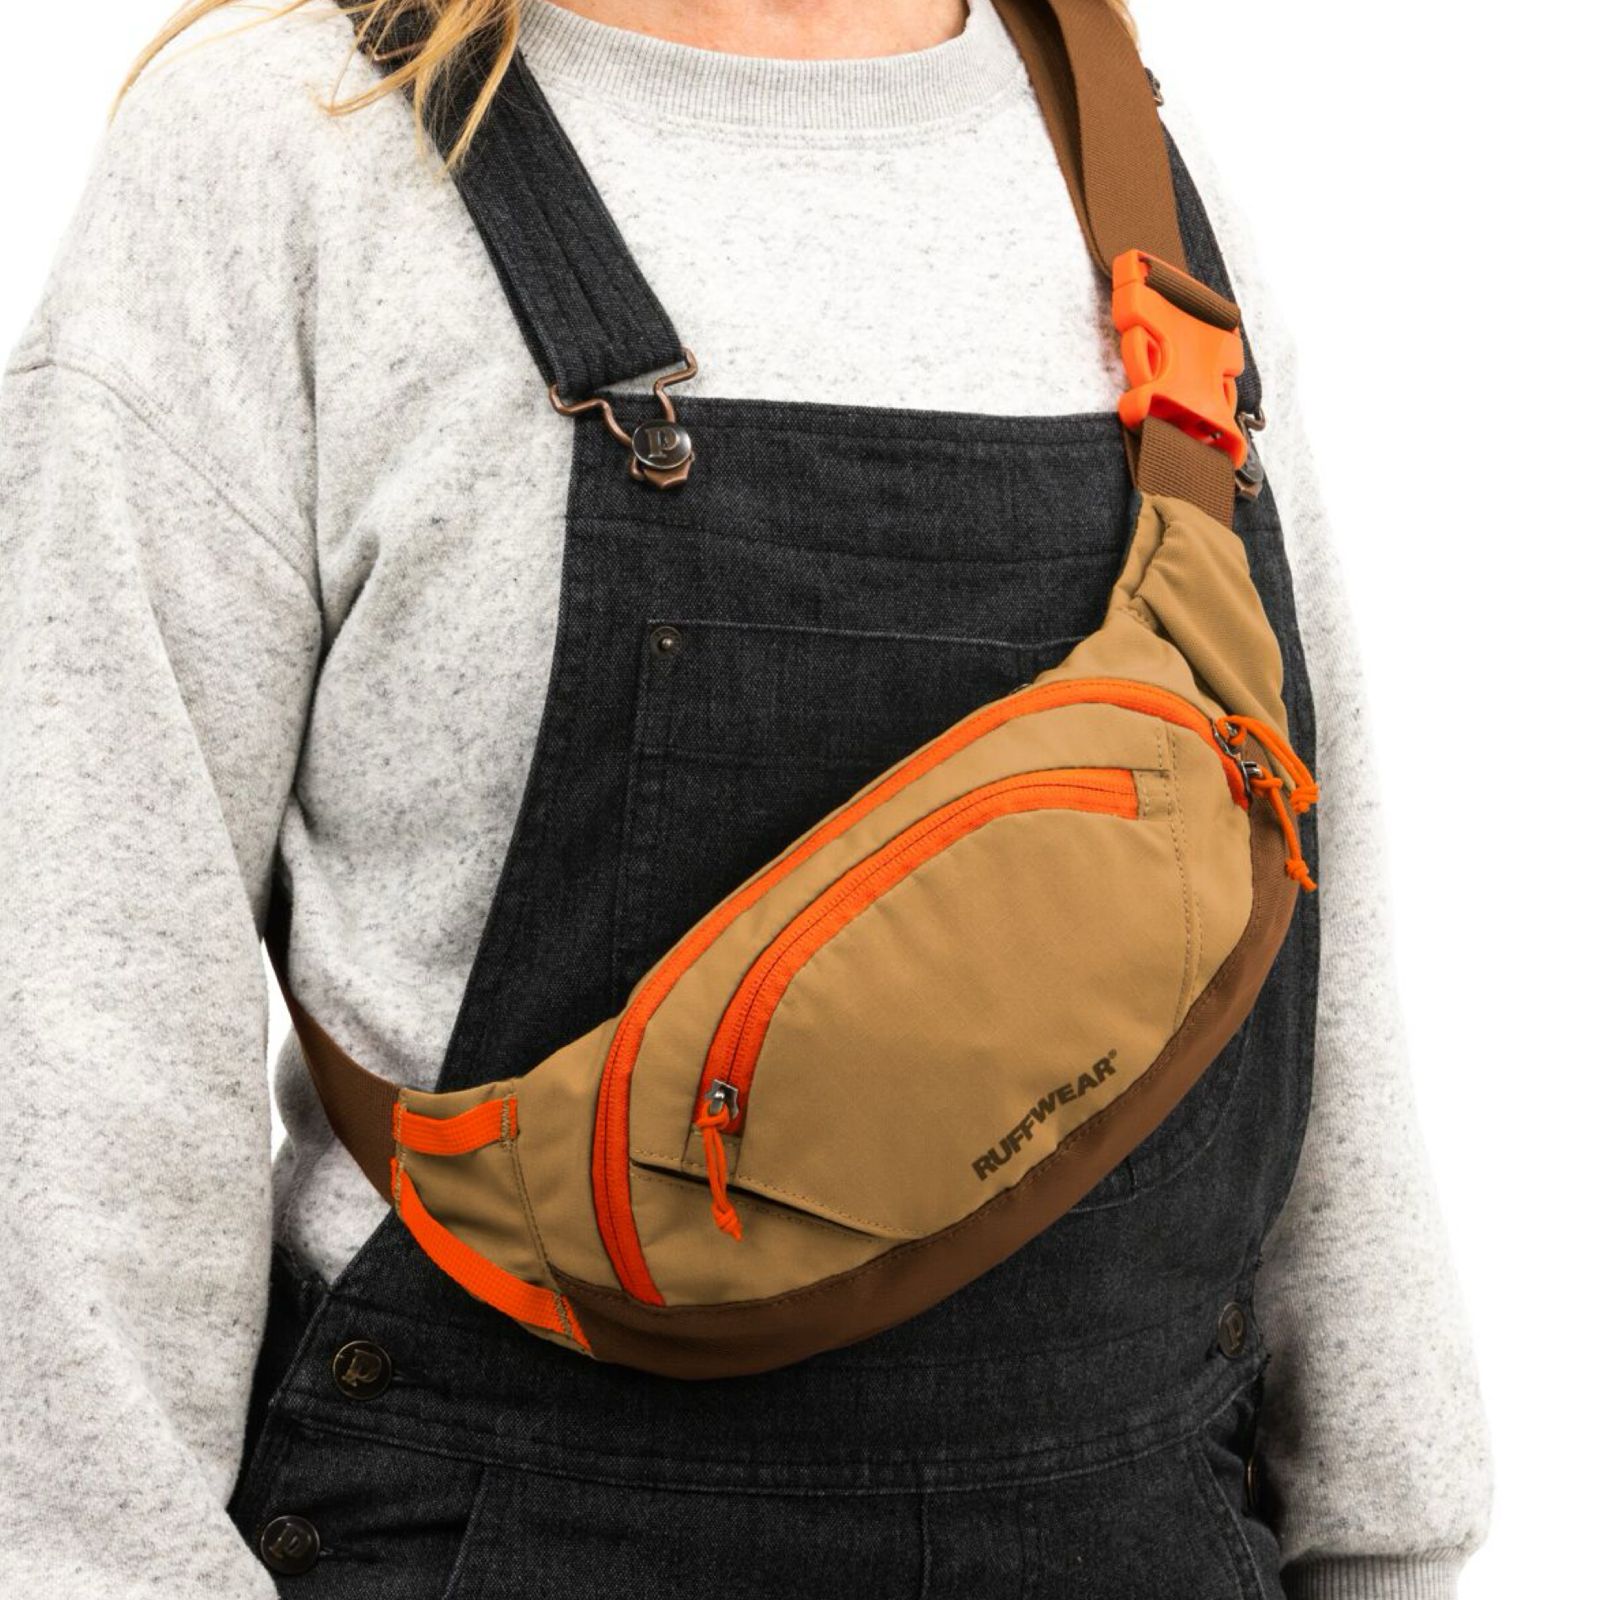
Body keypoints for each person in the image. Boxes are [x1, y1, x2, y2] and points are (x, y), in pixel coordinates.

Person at [0, 1, 1491, 1595]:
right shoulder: (285, 156)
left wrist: (1392, 1541)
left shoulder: (1136, 180)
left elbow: (1312, 929)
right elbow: (82, 1004)